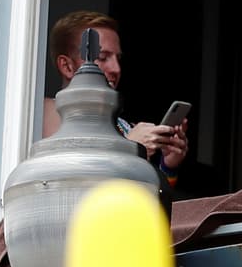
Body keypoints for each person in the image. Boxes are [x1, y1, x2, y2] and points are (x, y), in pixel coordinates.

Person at [43, 11, 189, 186]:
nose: (116, 68)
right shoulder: (47, 112)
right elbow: (65, 184)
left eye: (117, 58)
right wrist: (130, 147)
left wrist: (168, 166)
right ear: (67, 66)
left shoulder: (124, 127)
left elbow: (145, 199)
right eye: (103, 57)